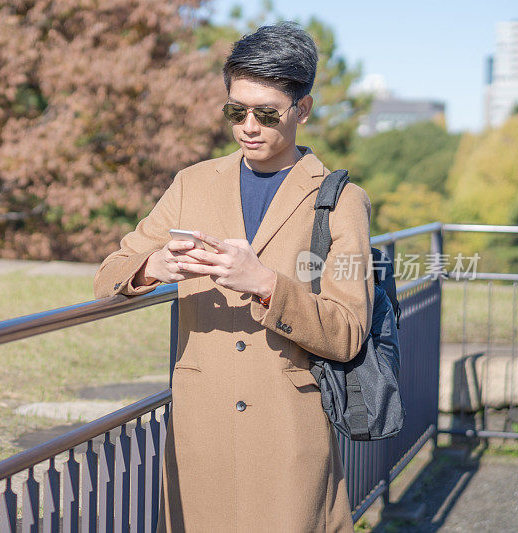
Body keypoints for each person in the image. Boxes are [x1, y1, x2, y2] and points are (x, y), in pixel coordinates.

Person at [93, 22, 374, 532]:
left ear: (302, 109)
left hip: (290, 427)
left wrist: (266, 283)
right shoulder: (192, 183)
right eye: (235, 110)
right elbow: (108, 275)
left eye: (266, 113)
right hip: (202, 426)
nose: (248, 125)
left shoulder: (341, 202)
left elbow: (348, 330)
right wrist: (152, 268)